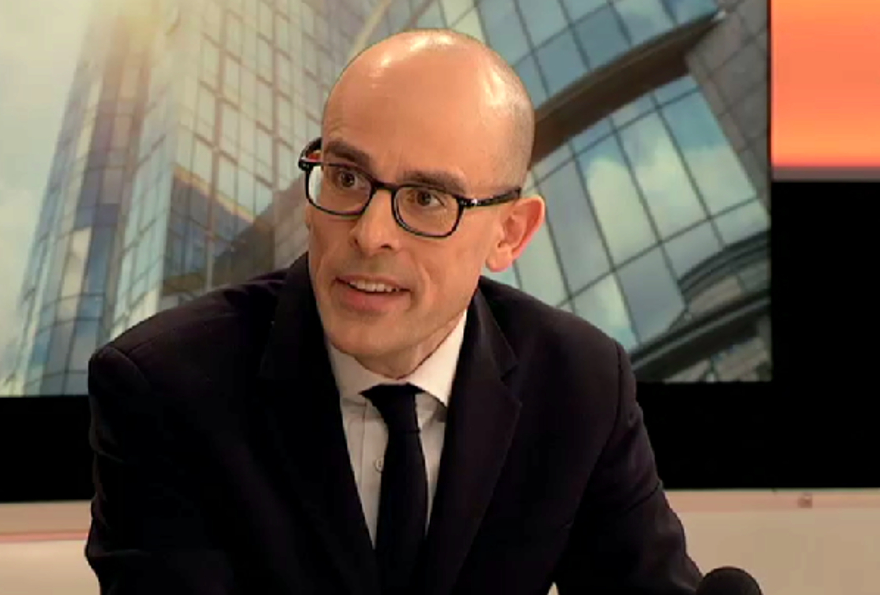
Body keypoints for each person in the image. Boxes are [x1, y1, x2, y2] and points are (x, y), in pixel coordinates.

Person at [85, 28, 702, 595]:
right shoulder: (164, 387)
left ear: (510, 233)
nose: (370, 233)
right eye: (347, 178)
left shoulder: (580, 381)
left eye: (427, 198)